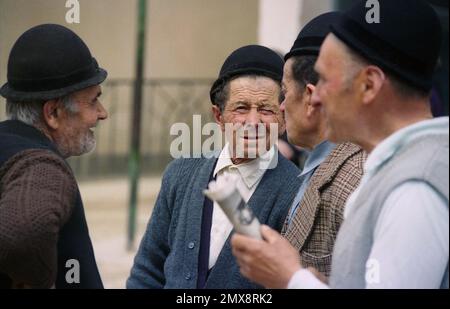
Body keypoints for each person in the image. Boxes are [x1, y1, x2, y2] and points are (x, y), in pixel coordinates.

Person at [232, 0, 448, 289]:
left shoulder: (414, 189)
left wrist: (291, 279)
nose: (315, 98)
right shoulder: (396, 169)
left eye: (324, 79)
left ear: (369, 85)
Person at [127, 45, 300, 289]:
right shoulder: (180, 175)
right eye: (241, 108)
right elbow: (147, 270)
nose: (253, 122)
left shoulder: (297, 192)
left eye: (266, 110)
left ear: (283, 119)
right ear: (219, 116)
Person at [0, 24, 108, 288]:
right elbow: (23, 235)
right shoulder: (41, 166)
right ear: (53, 114)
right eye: (93, 101)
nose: (102, 113)